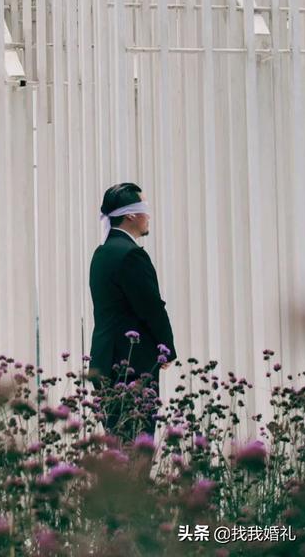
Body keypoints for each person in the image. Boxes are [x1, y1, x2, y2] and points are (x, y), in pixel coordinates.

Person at [89, 183, 176, 439]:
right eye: (144, 209)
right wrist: (167, 348)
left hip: (105, 361)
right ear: (131, 215)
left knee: (118, 448)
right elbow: (151, 307)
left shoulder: (102, 253)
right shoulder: (131, 256)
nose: (148, 216)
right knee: (137, 448)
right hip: (131, 365)